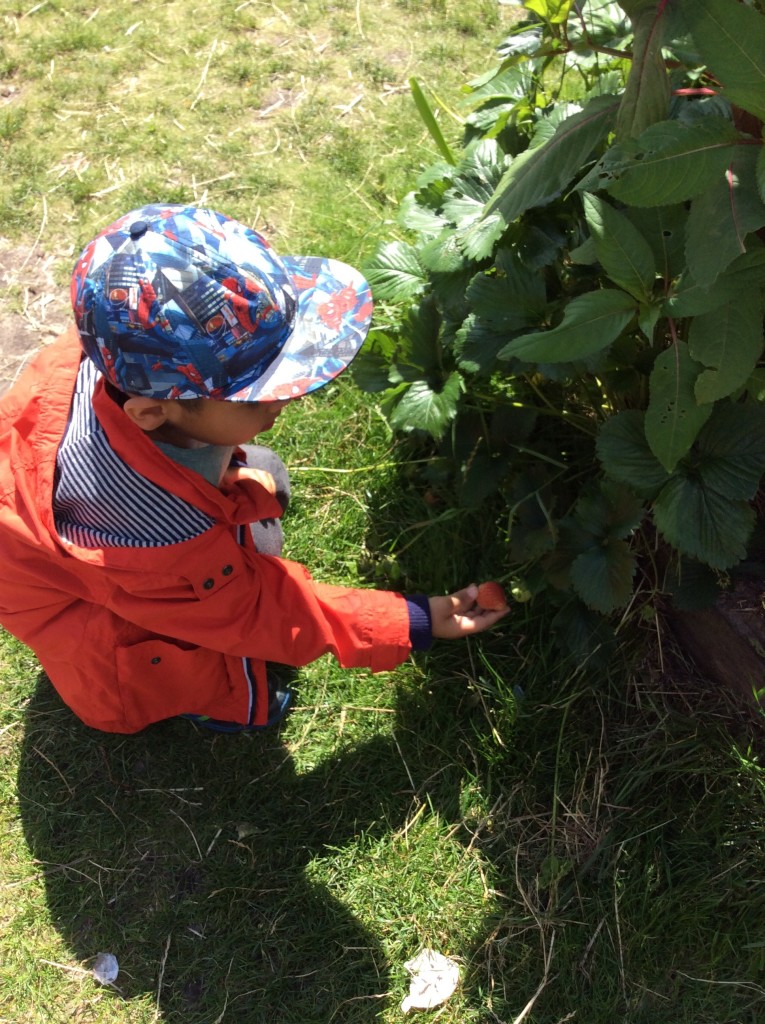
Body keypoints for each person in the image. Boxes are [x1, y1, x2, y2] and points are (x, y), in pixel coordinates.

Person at [0, 204, 508, 735]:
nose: (286, 398)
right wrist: (412, 620)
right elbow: (250, 611)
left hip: (96, 544)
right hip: (96, 608)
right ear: (152, 413)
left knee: (264, 480)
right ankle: (193, 698)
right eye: (254, 395)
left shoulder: (115, 343)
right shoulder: (152, 530)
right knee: (180, 645)